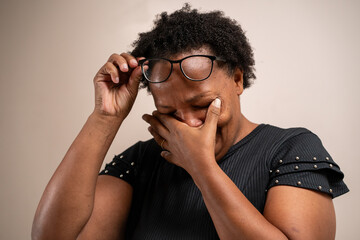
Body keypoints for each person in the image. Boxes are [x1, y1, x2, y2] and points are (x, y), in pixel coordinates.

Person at [32, 4, 349, 240]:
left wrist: (201, 168)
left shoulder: (290, 149)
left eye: (202, 104)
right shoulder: (141, 162)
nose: (188, 124)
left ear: (237, 79)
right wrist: (105, 118)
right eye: (169, 112)